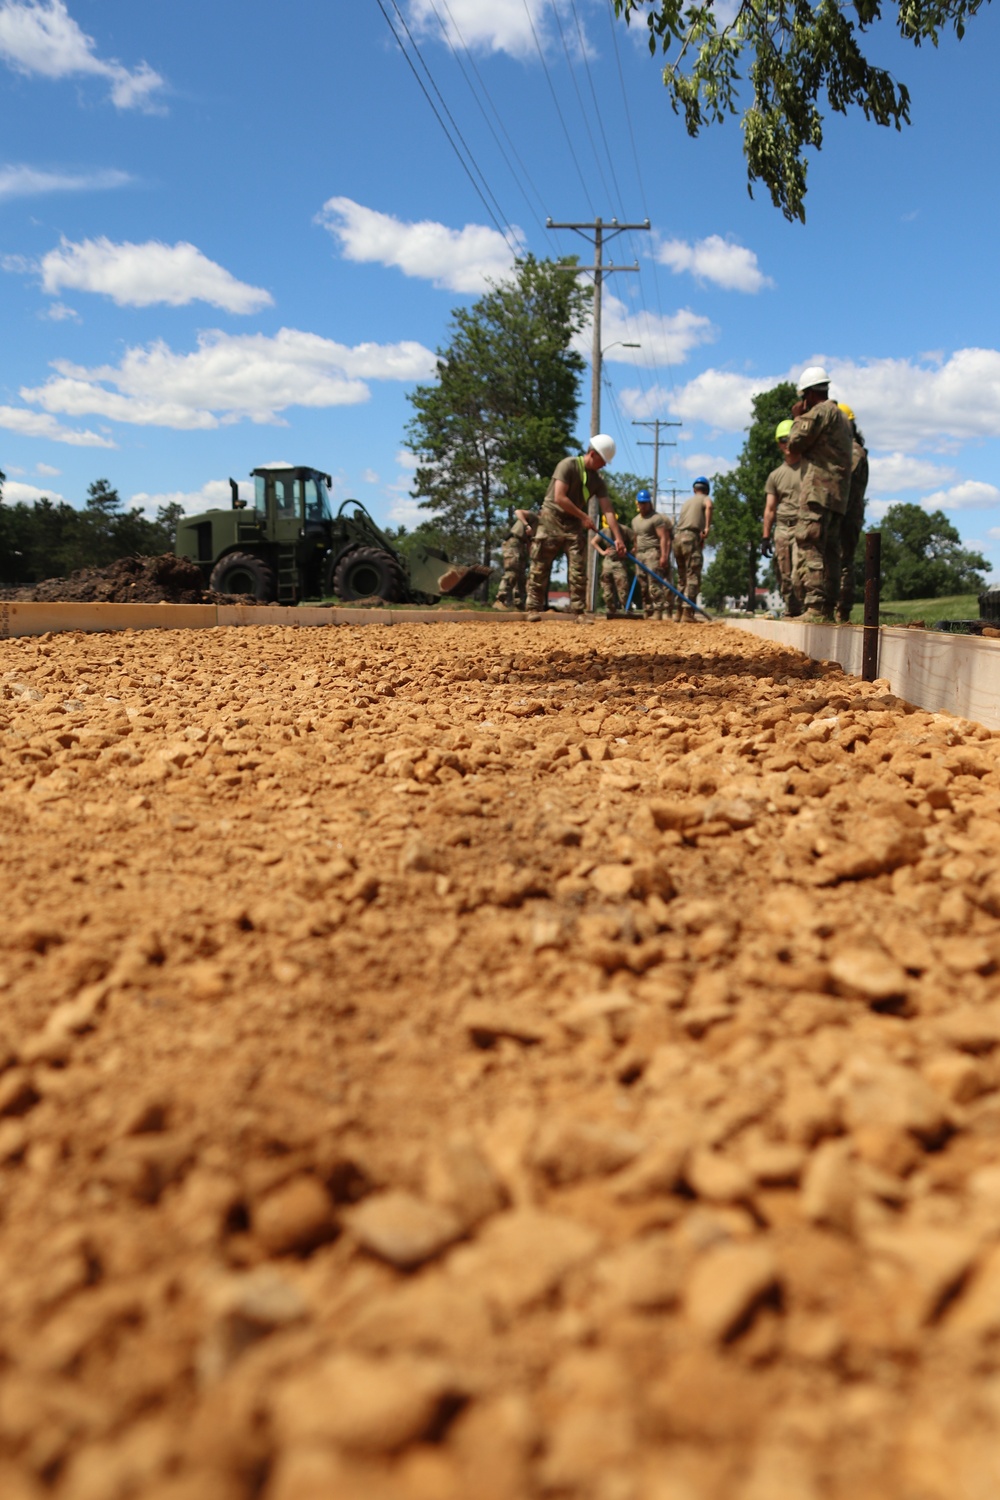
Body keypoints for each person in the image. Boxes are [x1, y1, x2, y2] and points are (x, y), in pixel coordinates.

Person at [525, 434, 626, 614]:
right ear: (593, 454)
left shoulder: (597, 481)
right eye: (603, 460)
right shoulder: (568, 465)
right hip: (552, 517)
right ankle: (533, 608)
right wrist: (584, 517)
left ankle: (578, 610)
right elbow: (559, 497)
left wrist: (618, 539)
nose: (604, 465)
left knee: (578, 568)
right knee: (540, 564)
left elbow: (608, 510)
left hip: (573, 522)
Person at [785, 366, 853, 623]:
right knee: (831, 550)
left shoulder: (820, 412)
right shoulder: (842, 418)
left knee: (810, 542)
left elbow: (795, 443)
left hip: (818, 492)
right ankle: (827, 608)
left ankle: (815, 607)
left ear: (809, 394)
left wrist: (797, 417)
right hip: (838, 496)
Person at [761, 420, 803, 617]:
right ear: (778, 443)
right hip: (783, 529)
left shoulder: (810, 469)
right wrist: (765, 537)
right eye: (782, 440)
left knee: (800, 574)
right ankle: (791, 610)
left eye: (790, 439)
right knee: (785, 576)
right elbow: (770, 508)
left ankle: (807, 610)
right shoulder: (775, 475)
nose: (787, 443)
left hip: (804, 526)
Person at [836, 406, 869, 623]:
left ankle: (842, 611)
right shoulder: (846, 449)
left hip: (846, 515)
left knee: (843, 562)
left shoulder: (853, 451)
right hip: (841, 513)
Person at [673, 478, 712, 621]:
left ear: (694, 489)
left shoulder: (687, 502)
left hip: (677, 539)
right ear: (706, 490)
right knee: (692, 575)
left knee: (682, 577)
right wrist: (707, 527)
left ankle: (678, 612)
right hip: (690, 537)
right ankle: (687, 613)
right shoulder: (706, 498)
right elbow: (708, 506)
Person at [631, 488, 674, 620]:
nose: (643, 506)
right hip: (640, 555)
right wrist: (635, 550)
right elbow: (636, 537)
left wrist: (664, 556)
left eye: (645, 503)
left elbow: (663, 538)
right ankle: (647, 609)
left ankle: (658, 610)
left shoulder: (656, 519)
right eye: (640, 503)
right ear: (637, 504)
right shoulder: (635, 520)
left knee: (653, 583)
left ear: (649, 503)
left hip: (652, 553)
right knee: (643, 584)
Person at [494, 506, 540, 611]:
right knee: (512, 571)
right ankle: (501, 599)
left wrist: (532, 556)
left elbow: (529, 542)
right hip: (513, 542)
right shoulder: (534, 517)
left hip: (521, 545)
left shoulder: (539, 527)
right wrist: (526, 525)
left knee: (521, 575)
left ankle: (519, 603)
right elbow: (518, 511)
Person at [590, 517, 634, 617]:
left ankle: (628, 610)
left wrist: (629, 553)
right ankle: (611, 609)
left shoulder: (624, 530)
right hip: (608, 562)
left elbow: (636, 540)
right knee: (606, 590)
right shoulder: (604, 531)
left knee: (623, 588)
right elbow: (593, 542)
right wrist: (602, 552)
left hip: (619, 562)